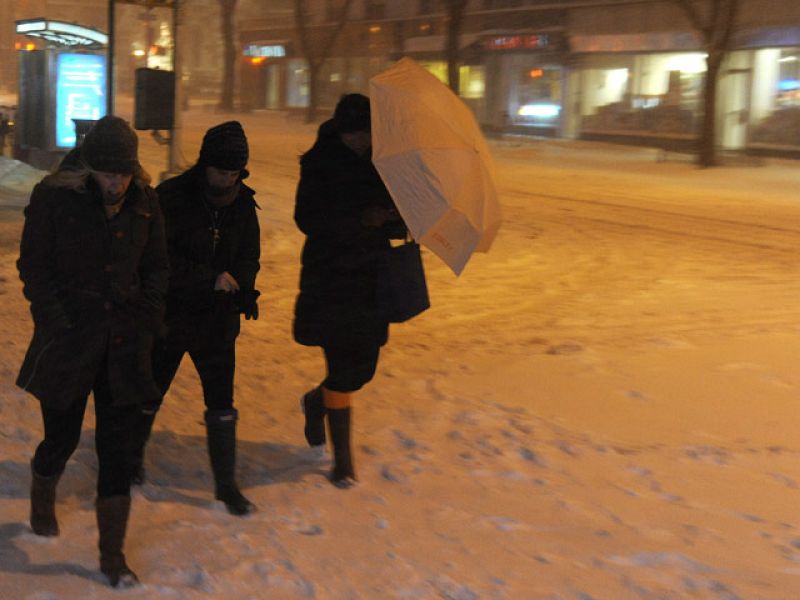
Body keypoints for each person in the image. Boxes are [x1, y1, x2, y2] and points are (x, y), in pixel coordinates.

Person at [16, 115, 169, 588]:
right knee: (61, 438)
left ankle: (112, 556)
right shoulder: (53, 198)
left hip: (123, 343)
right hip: (69, 340)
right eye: (107, 174)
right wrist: (55, 318)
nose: (116, 182)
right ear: (88, 168)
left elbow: (158, 267)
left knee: (118, 451)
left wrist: (146, 312)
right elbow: (33, 267)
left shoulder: (146, 202)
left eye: (123, 173)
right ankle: (43, 491)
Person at [131, 121, 261, 516]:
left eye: (234, 173)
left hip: (218, 322)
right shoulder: (171, 198)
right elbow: (157, 259)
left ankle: (226, 485)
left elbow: (249, 255)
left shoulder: (242, 204)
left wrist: (247, 289)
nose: (227, 179)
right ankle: (129, 462)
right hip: (172, 316)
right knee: (151, 390)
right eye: (221, 171)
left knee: (222, 400)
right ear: (205, 164)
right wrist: (209, 279)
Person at [294, 93, 407, 488]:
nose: (362, 140)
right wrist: (361, 219)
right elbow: (306, 218)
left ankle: (317, 400)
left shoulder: (384, 165)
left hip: (372, 279)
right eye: (355, 133)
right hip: (332, 277)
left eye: (367, 133)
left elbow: (390, 222)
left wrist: (395, 220)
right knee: (343, 366)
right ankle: (343, 462)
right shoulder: (319, 163)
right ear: (341, 130)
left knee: (363, 369)